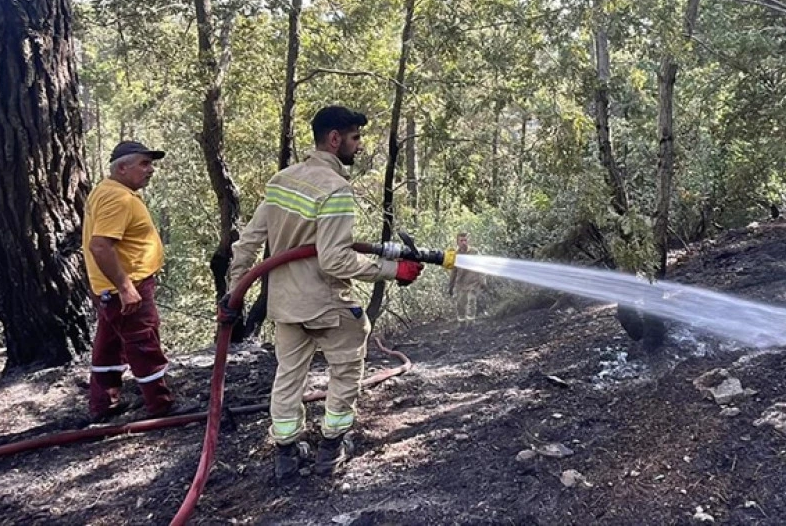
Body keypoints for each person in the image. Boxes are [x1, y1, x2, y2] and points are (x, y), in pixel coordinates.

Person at [228, 105, 424, 483]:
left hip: (285, 304)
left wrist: (235, 290)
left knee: (288, 375)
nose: (360, 146)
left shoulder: (282, 180)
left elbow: (248, 243)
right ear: (334, 139)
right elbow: (335, 260)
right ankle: (332, 446)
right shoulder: (336, 189)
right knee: (348, 363)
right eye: (355, 137)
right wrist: (392, 270)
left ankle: (286, 454)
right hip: (326, 302)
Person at [83, 141, 185, 424]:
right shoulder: (118, 198)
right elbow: (100, 246)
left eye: (150, 164)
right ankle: (160, 404)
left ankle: (104, 402)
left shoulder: (108, 191)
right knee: (143, 340)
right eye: (144, 163)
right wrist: (126, 287)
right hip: (125, 288)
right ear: (122, 167)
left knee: (109, 344)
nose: (150, 170)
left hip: (109, 288)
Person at [448, 232, 486, 321]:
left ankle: (471, 324)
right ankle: (461, 324)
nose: (464, 242)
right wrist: (450, 286)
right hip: (461, 284)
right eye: (461, 240)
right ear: (457, 242)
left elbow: (481, 266)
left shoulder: (474, 252)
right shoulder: (455, 255)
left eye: (465, 240)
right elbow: (453, 272)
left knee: (471, 301)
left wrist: (483, 281)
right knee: (460, 305)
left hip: (473, 283)